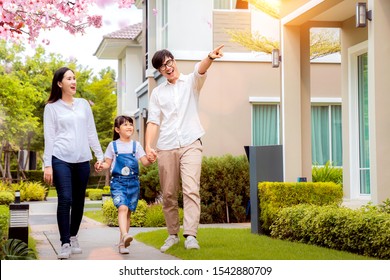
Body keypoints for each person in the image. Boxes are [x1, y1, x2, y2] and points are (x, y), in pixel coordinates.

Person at [145, 45, 224, 252]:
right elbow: (153, 121)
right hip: (166, 146)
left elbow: (201, 69)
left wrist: (210, 57)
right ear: (159, 72)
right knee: (169, 193)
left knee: (191, 190)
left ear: (173, 60)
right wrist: (147, 146)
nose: (167, 68)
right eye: (162, 67)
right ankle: (172, 235)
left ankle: (190, 235)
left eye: (168, 62)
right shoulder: (157, 93)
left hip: (191, 143)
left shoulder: (191, 82)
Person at [43, 67, 104, 259]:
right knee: (66, 199)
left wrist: (99, 155)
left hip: (82, 160)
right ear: (60, 83)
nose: (73, 81)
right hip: (61, 158)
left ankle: (73, 236)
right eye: (69, 78)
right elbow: (49, 137)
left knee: (78, 202)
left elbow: (91, 131)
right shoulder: (51, 107)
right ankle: (65, 242)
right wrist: (47, 164)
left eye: (74, 78)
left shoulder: (84, 105)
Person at [95, 115, 152, 254]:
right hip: (118, 183)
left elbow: (145, 162)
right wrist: (100, 165)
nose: (129, 127)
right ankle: (125, 235)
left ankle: (122, 244)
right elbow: (108, 163)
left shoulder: (136, 145)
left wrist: (151, 159)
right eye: (125, 124)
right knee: (122, 208)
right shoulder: (112, 145)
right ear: (117, 129)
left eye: (130, 124)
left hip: (133, 183)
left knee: (128, 214)